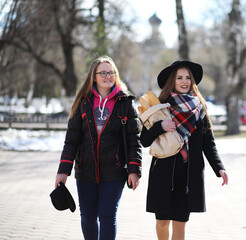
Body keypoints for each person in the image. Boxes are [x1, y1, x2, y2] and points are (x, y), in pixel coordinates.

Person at [54, 56, 142, 240]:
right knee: (88, 217)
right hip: (86, 170)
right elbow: (71, 140)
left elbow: (134, 140)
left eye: (111, 73)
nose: (107, 76)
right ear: (94, 77)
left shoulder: (125, 103)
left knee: (107, 216)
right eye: (103, 73)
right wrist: (63, 171)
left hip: (115, 171)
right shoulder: (82, 102)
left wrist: (134, 170)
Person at [140, 60, 228, 240]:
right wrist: (160, 126)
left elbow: (208, 143)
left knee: (180, 225)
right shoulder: (160, 106)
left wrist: (219, 167)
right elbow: (144, 140)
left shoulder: (199, 109)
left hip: (188, 176)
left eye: (188, 77)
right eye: (179, 77)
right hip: (163, 174)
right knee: (162, 222)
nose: (184, 81)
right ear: (172, 81)